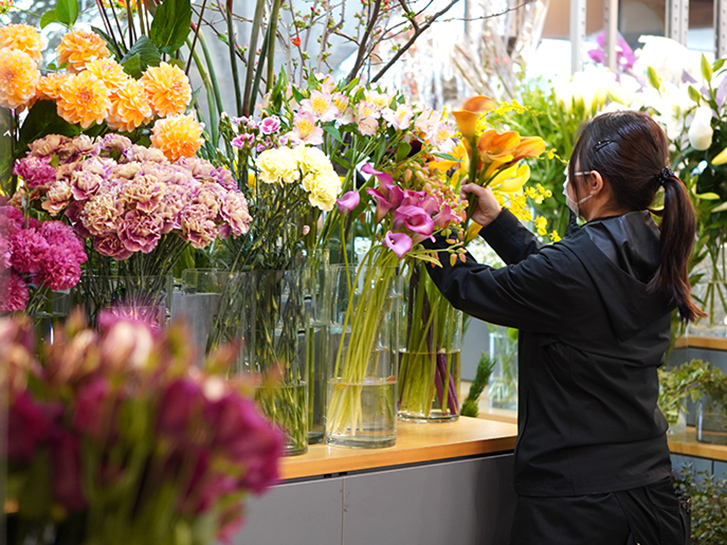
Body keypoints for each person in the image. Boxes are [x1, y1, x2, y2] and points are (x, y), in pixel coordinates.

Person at [424, 110, 699, 545]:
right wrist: (498, 224)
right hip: (648, 494)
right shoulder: (656, 243)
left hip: (575, 507)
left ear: (594, 183)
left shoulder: (573, 266)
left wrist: (425, 227)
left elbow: (471, 287)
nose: (568, 186)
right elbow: (558, 279)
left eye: (572, 176)